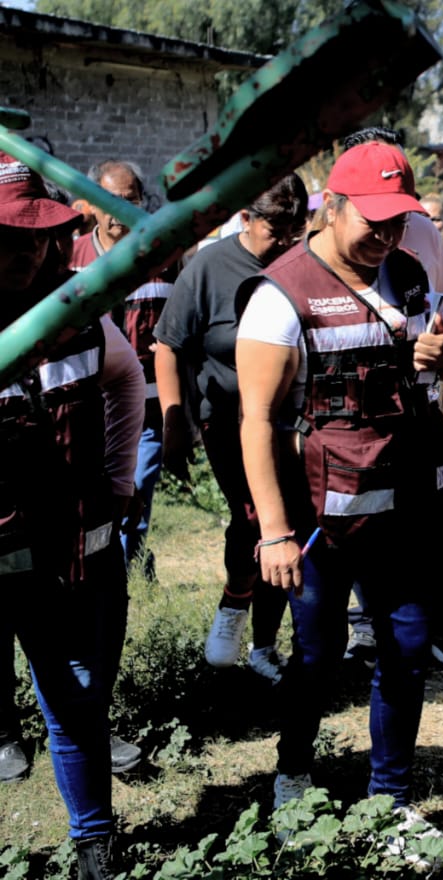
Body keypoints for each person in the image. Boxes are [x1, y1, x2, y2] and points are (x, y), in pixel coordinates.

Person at [235, 142, 443, 822]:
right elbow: (257, 421)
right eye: (373, 221)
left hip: (408, 509)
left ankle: (389, 798)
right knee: (318, 651)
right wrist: (274, 531)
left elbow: (433, 377)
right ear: (330, 208)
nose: (386, 236)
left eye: (399, 221)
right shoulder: (281, 294)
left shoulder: (412, 275)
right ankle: (294, 772)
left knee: (408, 649)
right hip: (320, 522)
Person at [0, 151, 146, 879]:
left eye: (36, 234)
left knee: (79, 696)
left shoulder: (77, 307)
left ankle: (94, 840)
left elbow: (126, 379)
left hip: (78, 549)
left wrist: (118, 481)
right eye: (8, 236)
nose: (26, 249)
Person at [153, 174, 310, 684]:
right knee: (253, 519)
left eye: (296, 228)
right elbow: (169, 345)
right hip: (228, 419)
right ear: (246, 218)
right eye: (276, 229)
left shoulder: (304, 264)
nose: (286, 240)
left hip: (292, 423)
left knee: (284, 526)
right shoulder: (210, 267)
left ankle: (265, 645)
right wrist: (175, 419)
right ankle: (233, 605)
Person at [332, 127, 443, 672]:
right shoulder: (314, 256)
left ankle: (434, 625)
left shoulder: (421, 235)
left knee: (427, 526)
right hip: (353, 427)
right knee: (363, 528)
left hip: (419, 409)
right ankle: (366, 629)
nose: (388, 227)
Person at [69, 160, 172, 580]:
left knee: (135, 493)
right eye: (106, 200)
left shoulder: (163, 256)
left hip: (146, 409)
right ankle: (99, 574)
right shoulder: (70, 258)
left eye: (128, 200)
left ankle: (127, 580)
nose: (117, 210)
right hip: (87, 404)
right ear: (90, 204)